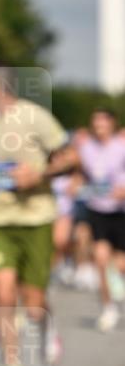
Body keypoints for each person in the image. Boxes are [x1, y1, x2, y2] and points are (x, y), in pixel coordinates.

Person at [0, 65, 78, 366]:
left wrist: (41, 173)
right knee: (3, 294)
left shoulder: (35, 117)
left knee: (32, 306)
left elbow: (72, 157)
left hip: (36, 218)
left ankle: (47, 326)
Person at [77, 109, 125, 331]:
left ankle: (117, 287)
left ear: (112, 124)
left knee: (121, 264)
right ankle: (108, 308)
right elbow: (81, 173)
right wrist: (76, 183)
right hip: (97, 210)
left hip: (120, 211)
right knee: (100, 260)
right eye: (95, 121)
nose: (98, 125)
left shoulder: (121, 146)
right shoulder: (86, 147)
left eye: (103, 121)